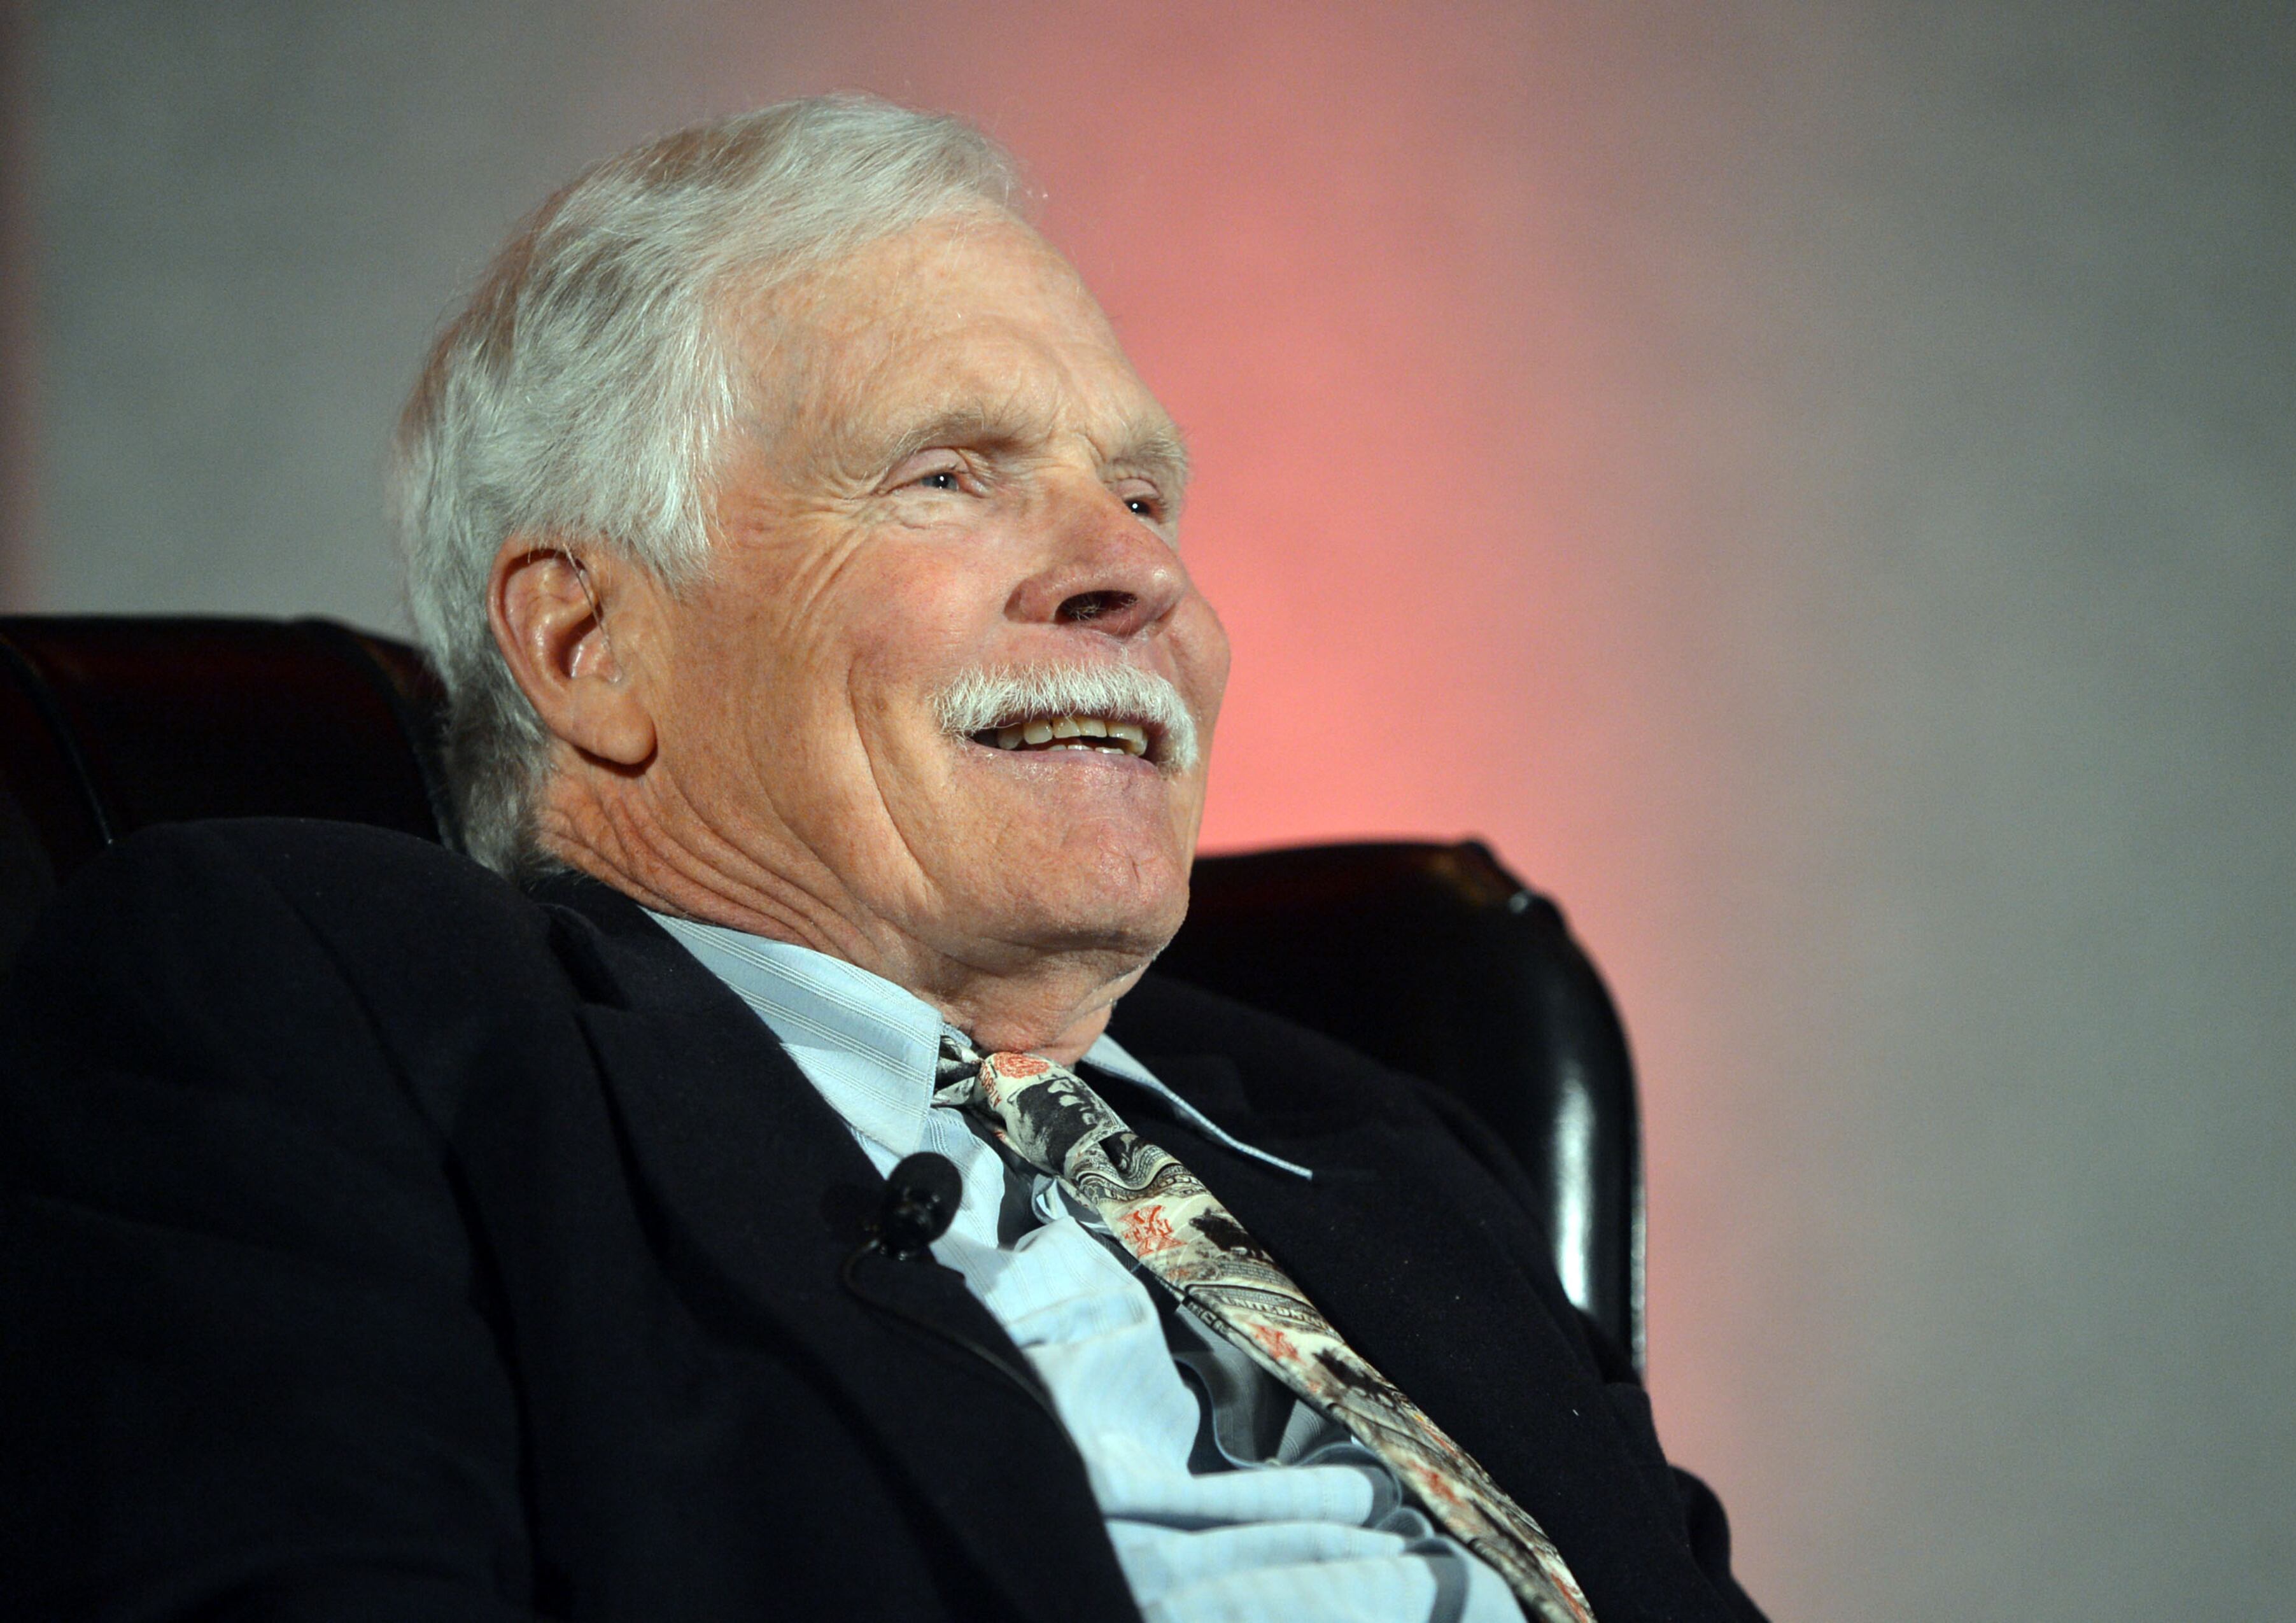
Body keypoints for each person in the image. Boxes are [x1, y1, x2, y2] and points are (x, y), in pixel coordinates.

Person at [0, 97, 1767, 1623]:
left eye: (1147, 499)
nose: (1133, 575)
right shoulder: (321, 1007)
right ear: (584, 645)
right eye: (949, 476)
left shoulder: (1388, 1146)